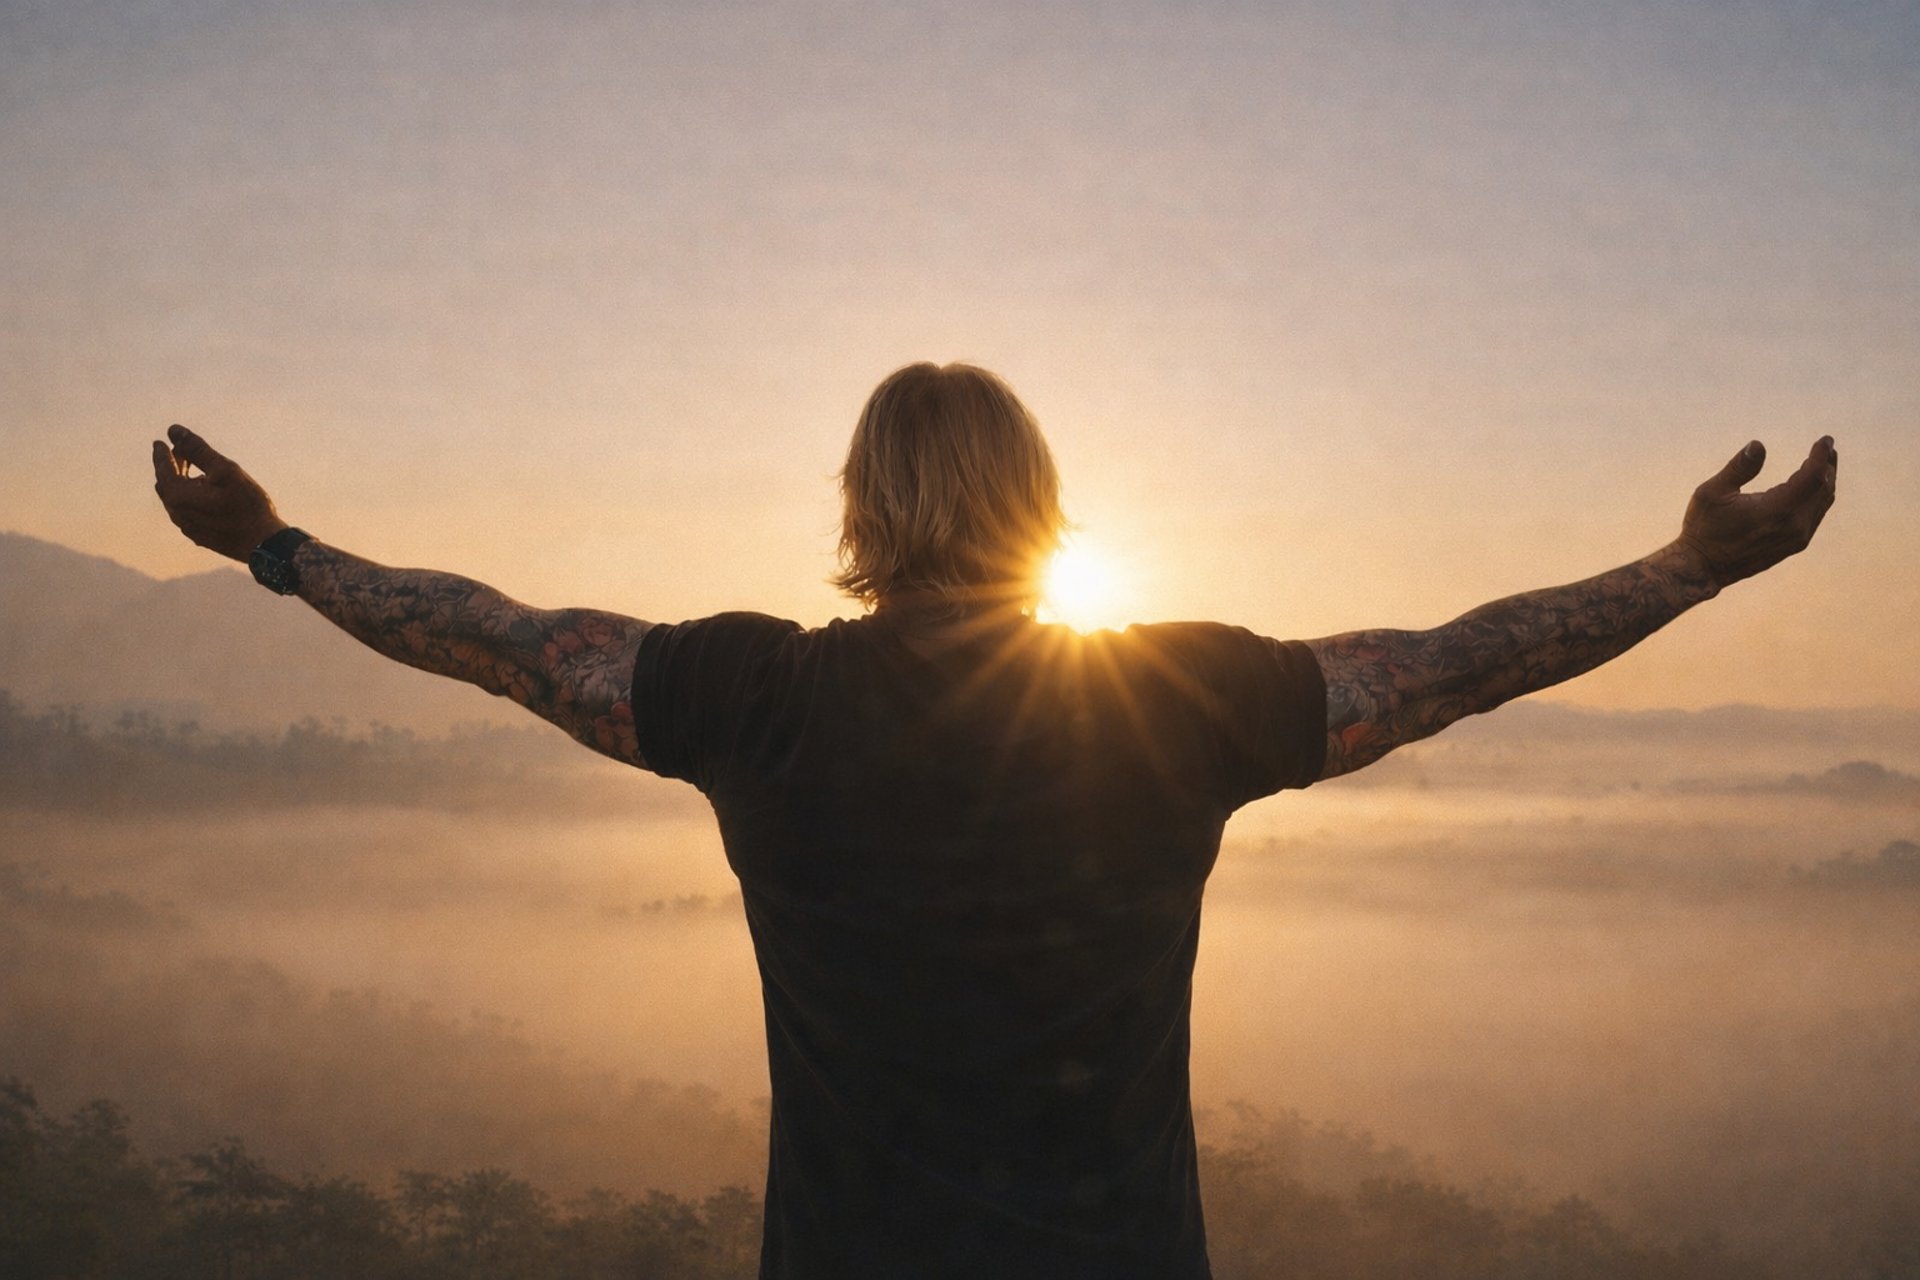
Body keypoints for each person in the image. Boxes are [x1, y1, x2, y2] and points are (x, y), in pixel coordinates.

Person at [151, 361, 1837, 1279]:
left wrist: (277, 551)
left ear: (858, 510)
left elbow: (493, 636)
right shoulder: (1173, 701)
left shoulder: (753, 696)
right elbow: (1456, 663)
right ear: (1044, 507)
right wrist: (1686, 569)